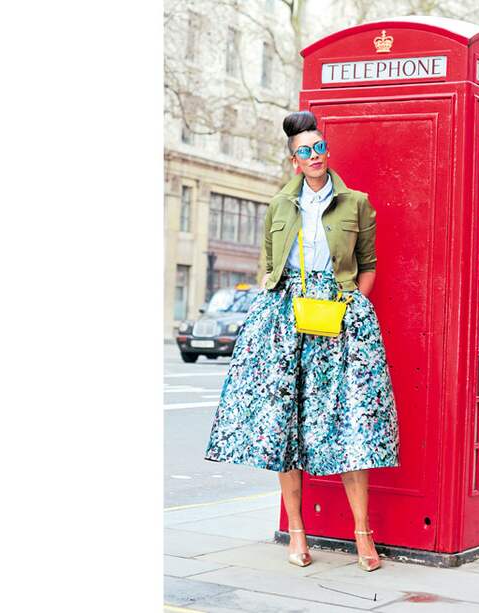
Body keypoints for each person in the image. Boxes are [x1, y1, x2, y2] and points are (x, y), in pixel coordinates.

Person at [203, 110, 400, 572]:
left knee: (355, 420)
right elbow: (269, 265)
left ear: (326, 152)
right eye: (304, 151)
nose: (313, 156)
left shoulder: (356, 203)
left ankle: (362, 533)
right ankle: (296, 530)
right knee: (282, 420)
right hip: (285, 316)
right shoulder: (278, 206)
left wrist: (352, 304)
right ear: (294, 161)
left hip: (339, 314)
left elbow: (367, 263)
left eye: (318, 148)